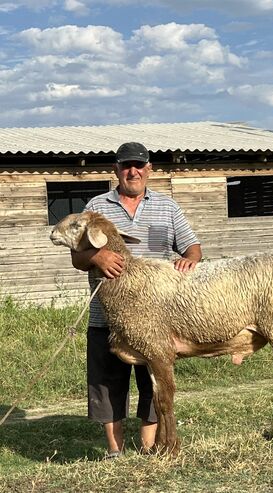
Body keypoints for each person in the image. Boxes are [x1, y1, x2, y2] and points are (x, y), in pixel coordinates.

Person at [71, 142, 202, 458]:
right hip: (107, 315)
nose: (134, 171)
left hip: (157, 318)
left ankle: (148, 446)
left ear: (149, 170)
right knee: (107, 383)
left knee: (153, 380)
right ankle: (115, 450)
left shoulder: (167, 207)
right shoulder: (96, 207)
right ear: (116, 170)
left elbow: (193, 247)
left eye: (140, 165)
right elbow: (77, 256)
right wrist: (98, 256)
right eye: (127, 165)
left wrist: (190, 260)